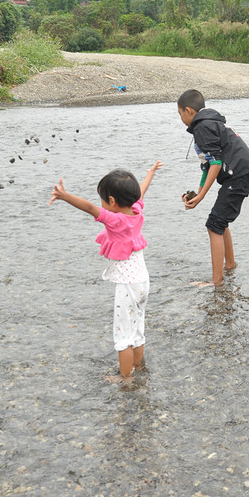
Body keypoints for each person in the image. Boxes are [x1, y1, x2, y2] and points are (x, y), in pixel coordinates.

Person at [49, 161, 162, 382]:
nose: (101, 204)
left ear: (111, 201)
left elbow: (90, 208)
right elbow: (142, 190)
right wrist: (150, 173)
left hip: (128, 284)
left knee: (123, 333)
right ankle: (138, 367)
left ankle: (126, 378)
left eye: (103, 199)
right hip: (142, 281)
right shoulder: (136, 210)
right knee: (137, 328)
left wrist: (65, 196)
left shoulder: (116, 220)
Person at [177, 89, 249, 287]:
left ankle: (217, 282)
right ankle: (230, 267)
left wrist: (202, 197)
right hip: (244, 172)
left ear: (188, 110)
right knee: (220, 222)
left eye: (179, 114)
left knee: (213, 224)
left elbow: (216, 162)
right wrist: (196, 194)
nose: (180, 118)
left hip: (239, 174)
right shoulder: (208, 123)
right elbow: (208, 165)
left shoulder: (203, 127)